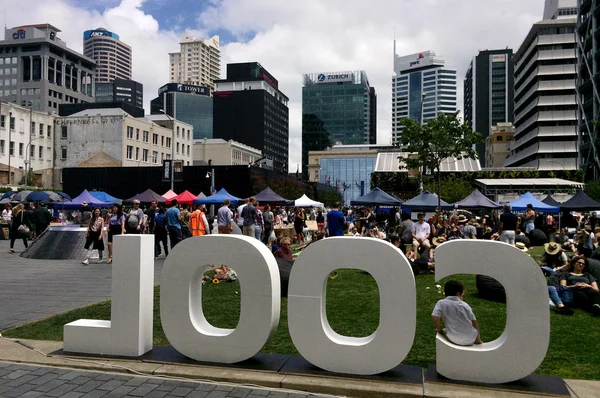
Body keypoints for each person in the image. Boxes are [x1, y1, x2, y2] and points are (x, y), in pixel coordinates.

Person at [432, 280, 483, 346]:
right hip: (470, 339)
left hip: (453, 338)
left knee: (444, 330)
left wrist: (439, 330)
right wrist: (478, 340)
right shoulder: (465, 305)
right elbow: (474, 322)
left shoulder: (441, 303)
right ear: (458, 294)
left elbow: (435, 317)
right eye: (462, 295)